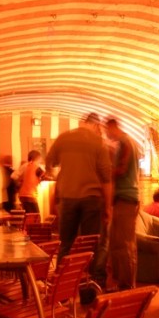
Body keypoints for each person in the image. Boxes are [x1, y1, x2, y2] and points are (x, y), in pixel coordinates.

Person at [45, 112, 112, 264]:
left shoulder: (63, 138)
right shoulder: (98, 142)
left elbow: (50, 161)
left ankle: (62, 276)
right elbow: (106, 178)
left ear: (83, 122)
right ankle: (87, 277)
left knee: (66, 243)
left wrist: (59, 177)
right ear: (96, 125)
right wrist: (108, 207)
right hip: (91, 198)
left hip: (68, 197)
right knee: (89, 244)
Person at [104, 118, 140, 291]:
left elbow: (121, 169)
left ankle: (126, 285)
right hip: (127, 198)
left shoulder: (125, 143)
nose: (107, 134)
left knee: (123, 243)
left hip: (126, 197)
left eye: (107, 130)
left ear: (113, 127)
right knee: (124, 243)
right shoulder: (127, 142)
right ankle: (125, 282)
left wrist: (105, 170)